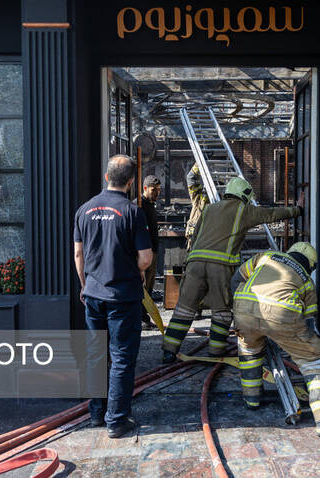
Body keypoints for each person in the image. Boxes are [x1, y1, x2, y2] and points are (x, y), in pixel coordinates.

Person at [161, 177, 301, 362]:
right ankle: (216, 352)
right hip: (220, 267)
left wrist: (191, 260)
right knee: (222, 311)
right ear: (244, 195)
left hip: (194, 264)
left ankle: (169, 351)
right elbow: (271, 214)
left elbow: (195, 237)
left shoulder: (209, 208)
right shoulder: (244, 210)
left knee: (184, 309)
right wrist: (297, 209)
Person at [231, 242, 320, 438]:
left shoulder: (266, 256)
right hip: (282, 315)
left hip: (243, 308)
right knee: (315, 360)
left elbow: (237, 277)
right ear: (311, 265)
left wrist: (238, 303)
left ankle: (252, 399)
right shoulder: (306, 280)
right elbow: (310, 318)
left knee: (249, 351)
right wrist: (294, 337)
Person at [73, 154, 153, 438]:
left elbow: (79, 254)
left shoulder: (84, 210)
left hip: (93, 295)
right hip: (123, 296)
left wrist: (85, 284)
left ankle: (97, 413)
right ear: (131, 183)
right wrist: (137, 271)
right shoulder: (133, 213)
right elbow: (145, 258)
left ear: (107, 177)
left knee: (96, 355)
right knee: (121, 358)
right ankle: (116, 420)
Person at [140, 174, 162, 329]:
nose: (157, 193)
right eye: (154, 190)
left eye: (159, 190)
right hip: (145, 253)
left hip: (152, 251)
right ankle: (141, 317)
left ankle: (144, 316)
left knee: (149, 286)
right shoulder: (139, 205)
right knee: (143, 287)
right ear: (145, 188)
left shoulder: (150, 205)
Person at [185, 164, 209, 251]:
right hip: (195, 245)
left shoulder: (221, 205)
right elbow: (191, 178)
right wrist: (199, 164)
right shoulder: (199, 198)